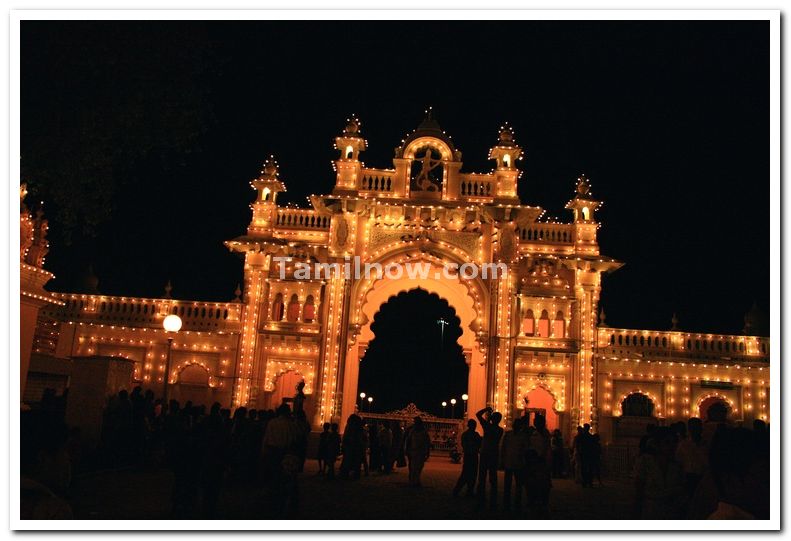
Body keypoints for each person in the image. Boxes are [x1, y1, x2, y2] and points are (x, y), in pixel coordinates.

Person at [633, 426, 685, 519]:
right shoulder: (645, 462)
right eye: (667, 442)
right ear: (658, 444)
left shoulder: (676, 465)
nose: (672, 446)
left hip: (670, 511)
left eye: (674, 442)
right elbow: (639, 489)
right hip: (651, 509)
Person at [475, 406, 503, 510]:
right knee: (493, 478)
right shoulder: (500, 430)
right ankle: (493, 500)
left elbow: (478, 414)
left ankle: (481, 499)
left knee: (482, 477)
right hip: (493, 454)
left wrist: (486, 409)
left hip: (485, 453)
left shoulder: (487, 426)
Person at [501, 417, 530, 513]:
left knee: (517, 485)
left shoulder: (515, 435)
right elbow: (503, 448)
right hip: (512, 462)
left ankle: (514, 503)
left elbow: (525, 449)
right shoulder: (510, 435)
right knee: (510, 484)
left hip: (517, 462)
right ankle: (508, 503)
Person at [526, 414, 552, 515]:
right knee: (532, 482)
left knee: (544, 484)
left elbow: (546, 447)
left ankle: (543, 503)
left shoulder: (545, 433)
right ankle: (533, 502)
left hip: (542, 461)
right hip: (533, 460)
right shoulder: (532, 432)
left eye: (538, 421)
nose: (536, 423)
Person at [675, 417, 707, 499]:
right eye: (693, 427)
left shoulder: (706, 444)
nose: (695, 430)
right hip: (689, 477)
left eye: (697, 427)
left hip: (704, 477)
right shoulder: (683, 445)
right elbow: (679, 463)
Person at [453, 419, 482, 497]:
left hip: (468, 455)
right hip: (472, 455)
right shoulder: (476, 435)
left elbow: (464, 444)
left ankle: (459, 490)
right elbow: (479, 444)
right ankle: (468, 491)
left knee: (466, 473)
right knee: (471, 474)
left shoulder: (465, 434)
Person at [405, 416, 431, 487]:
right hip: (414, 451)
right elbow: (409, 441)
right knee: (414, 467)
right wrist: (407, 450)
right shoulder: (413, 431)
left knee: (418, 467)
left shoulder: (423, 432)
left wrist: (427, 452)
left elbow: (427, 442)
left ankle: (415, 480)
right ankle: (413, 481)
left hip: (420, 451)